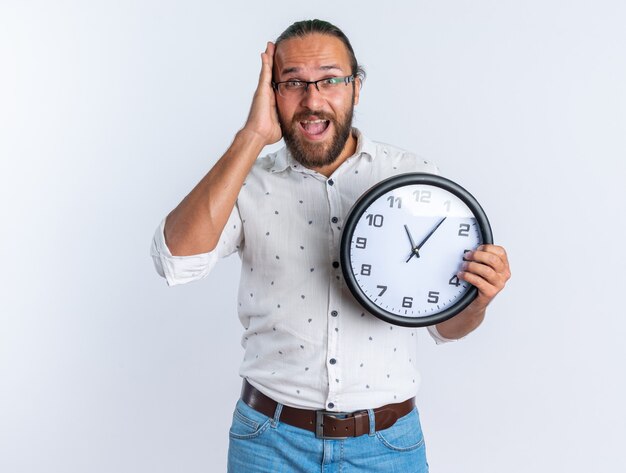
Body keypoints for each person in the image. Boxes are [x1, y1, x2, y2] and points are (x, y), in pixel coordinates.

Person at [151, 19, 511, 473]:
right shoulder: (245, 181)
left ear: (356, 88)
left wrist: (478, 299)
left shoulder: (415, 178)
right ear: (271, 92)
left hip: (388, 446)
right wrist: (251, 138)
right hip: (268, 441)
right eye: (293, 83)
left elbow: (445, 328)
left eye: (330, 80)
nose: (312, 99)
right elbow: (175, 262)